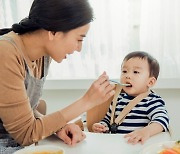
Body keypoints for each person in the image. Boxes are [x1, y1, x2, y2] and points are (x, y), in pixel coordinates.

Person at [0, 0, 116, 153]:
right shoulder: (6, 52)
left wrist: (59, 126)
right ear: (53, 32)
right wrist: (86, 102)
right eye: (79, 39)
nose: (79, 48)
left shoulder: (43, 54)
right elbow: (26, 133)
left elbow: (24, 111)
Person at [92, 51, 169, 144]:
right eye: (124, 71)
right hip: (117, 146)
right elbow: (108, 120)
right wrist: (101, 126)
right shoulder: (117, 99)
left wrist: (146, 132)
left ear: (150, 82)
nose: (127, 76)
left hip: (138, 147)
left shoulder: (152, 101)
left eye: (136, 72)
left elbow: (162, 120)